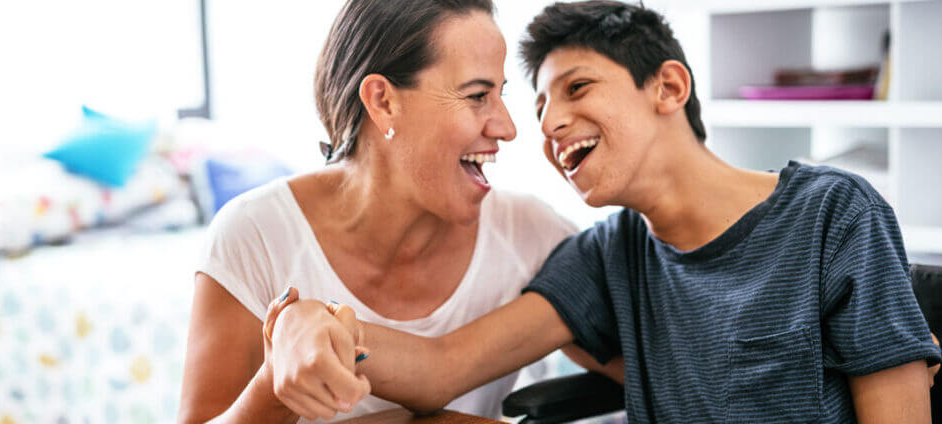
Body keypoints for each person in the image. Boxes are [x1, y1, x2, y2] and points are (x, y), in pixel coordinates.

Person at [269, 1, 942, 422]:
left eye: (578, 87)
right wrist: (312, 324)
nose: (548, 124)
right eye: (540, 107)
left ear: (668, 87)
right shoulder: (607, 254)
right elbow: (441, 366)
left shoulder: (834, 214)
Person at [176, 1, 618, 423]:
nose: (508, 128)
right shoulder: (253, 235)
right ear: (383, 101)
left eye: (499, 94)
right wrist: (276, 384)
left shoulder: (532, 235)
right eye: (477, 95)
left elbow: (635, 360)